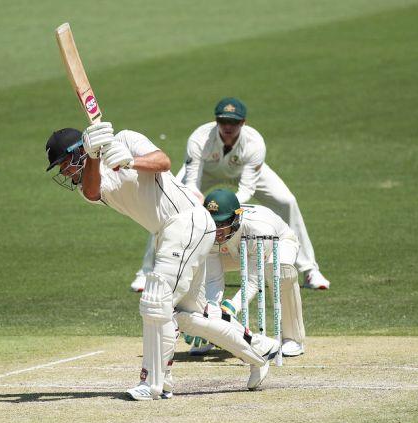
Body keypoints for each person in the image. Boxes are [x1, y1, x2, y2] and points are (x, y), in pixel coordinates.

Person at [45, 123, 280, 400]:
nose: (64, 172)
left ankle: (155, 383)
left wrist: (131, 161)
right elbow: (94, 191)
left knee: (157, 301)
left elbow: (163, 162)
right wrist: (96, 156)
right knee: (192, 315)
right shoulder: (90, 182)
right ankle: (259, 351)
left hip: (186, 220)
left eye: (64, 165)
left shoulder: (127, 139)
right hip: (169, 233)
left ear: (76, 154)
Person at [130, 97, 329, 292]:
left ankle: (310, 270)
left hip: (242, 171)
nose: (228, 126)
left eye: (233, 122)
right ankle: (147, 272)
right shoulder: (199, 138)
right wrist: (202, 203)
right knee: (168, 206)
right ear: (216, 121)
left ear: (243, 122)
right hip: (207, 171)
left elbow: (247, 190)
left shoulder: (254, 142)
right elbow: (192, 182)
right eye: (223, 121)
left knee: (287, 201)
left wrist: (225, 207)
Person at [185, 189, 306, 357]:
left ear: (235, 218)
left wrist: (231, 307)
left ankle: (293, 339)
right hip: (232, 249)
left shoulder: (260, 229)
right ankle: (212, 336)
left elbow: (254, 280)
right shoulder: (207, 231)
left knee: (280, 271)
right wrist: (210, 317)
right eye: (213, 223)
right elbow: (212, 278)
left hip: (276, 242)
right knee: (196, 267)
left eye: (222, 223)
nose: (217, 229)